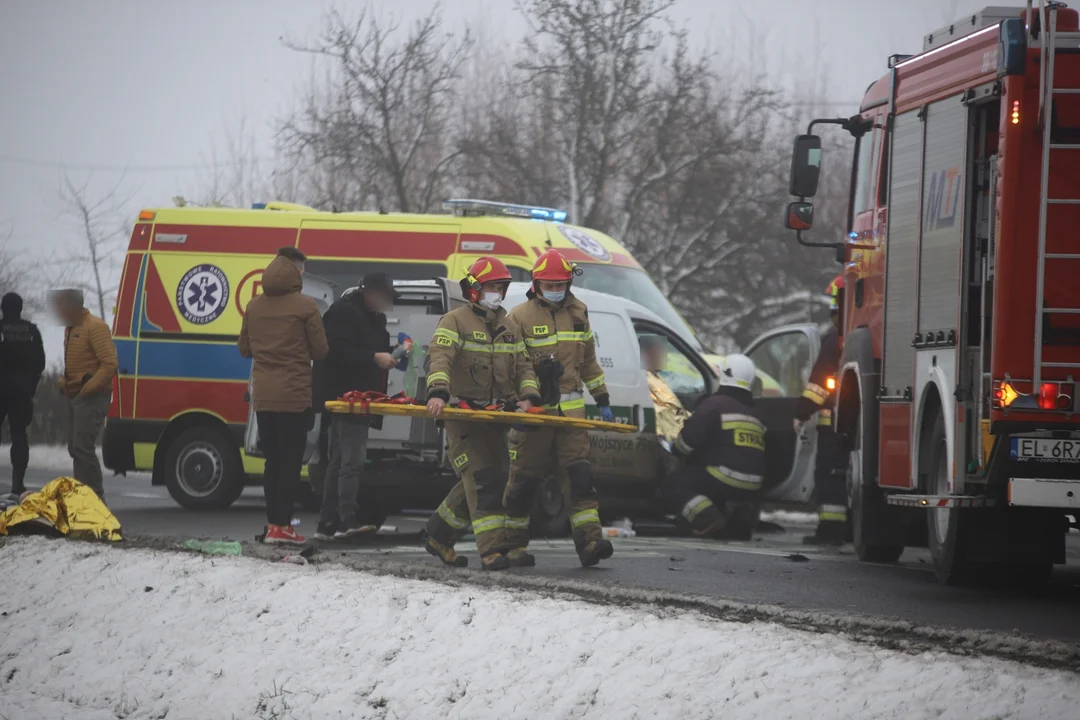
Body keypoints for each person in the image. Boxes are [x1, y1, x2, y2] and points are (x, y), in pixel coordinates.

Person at [423, 257, 541, 570]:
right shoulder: (454, 321)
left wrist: (529, 396)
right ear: (474, 289)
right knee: (481, 477)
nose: (497, 293)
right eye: (491, 287)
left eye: (501, 287)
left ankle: (438, 534)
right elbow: (440, 358)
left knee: (495, 476)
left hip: (494, 419)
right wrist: (438, 393)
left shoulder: (509, 326)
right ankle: (492, 551)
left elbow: (524, 366)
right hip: (462, 417)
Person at [503, 249, 615, 568]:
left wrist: (602, 398)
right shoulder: (519, 316)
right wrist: (517, 404)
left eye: (561, 284)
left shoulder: (579, 313)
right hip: (534, 416)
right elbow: (510, 364)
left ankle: (590, 541)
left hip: (571, 416)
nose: (556, 290)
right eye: (549, 284)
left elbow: (589, 361)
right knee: (524, 480)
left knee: (579, 477)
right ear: (536, 284)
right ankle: (514, 546)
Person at [238, 247, 329, 545]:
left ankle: (272, 524)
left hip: (263, 396)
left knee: (272, 461)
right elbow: (320, 351)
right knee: (290, 463)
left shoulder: (253, 306)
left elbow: (244, 349)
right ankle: (283, 526)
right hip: (294, 396)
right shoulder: (306, 306)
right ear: (295, 271)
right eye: (301, 270)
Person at [312, 273, 398, 541]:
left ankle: (328, 523)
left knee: (339, 462)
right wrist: (374, 357)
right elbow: (335, 351)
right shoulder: (343, 313)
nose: (385, 303)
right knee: (350, 461)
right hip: (346, 399)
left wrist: (394, 353)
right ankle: (346, 521)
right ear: (368, 292)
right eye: (382, 297)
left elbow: (374, 349)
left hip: (361, 398)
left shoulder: (374, 318)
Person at [665, 354, 766, 536]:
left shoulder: (713, 405)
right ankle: (739, 523)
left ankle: (708, 519)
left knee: (675, 483)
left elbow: (685, 445)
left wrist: (675, 451)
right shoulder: (756, 412)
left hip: (724, 477)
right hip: (753, 485)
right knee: (710, 477)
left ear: (725, 375)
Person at [793, 275, 847, 546]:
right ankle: (845, 528)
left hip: (834, 425)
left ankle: (830, 530)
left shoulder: (835, 339)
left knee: (829, 475)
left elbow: (818, 384)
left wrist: (801, 411)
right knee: (844, 475)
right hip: (854, 425)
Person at [50, 289, 117, 501]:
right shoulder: (70, 328)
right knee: (75, 448)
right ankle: (82, 497)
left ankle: (96, 499)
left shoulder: (95, 327)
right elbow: (77, 364)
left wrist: (87, 389)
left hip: (93, 396)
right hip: (75, 395)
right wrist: (65, 382)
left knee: (83, 447)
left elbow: (110, 364)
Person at [1, 293, 46, 498]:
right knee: (19, 435)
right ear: (20, 308)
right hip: (22, 393)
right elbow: (40, 363)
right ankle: (17, 484)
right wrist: (30, 386)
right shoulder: (31, 331)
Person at [640, 334, 690, 445]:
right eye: (661, 353)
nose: (666, 357)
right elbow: (664, 416)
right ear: (648, 354)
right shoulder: (647, 380)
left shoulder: (656, 377)